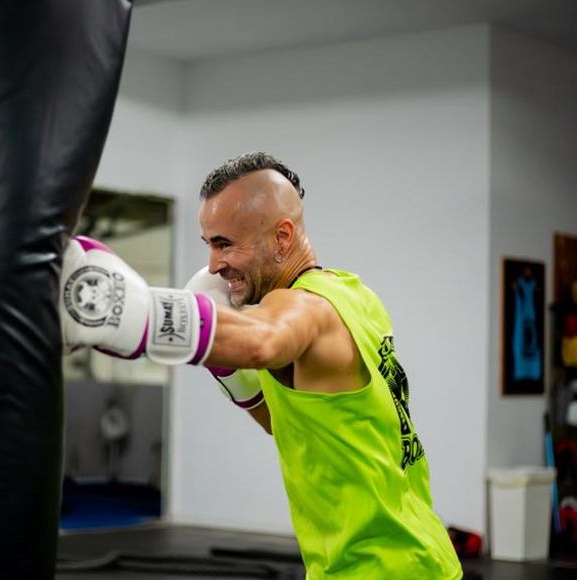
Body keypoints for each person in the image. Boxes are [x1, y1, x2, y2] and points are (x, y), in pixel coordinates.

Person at [59, 152, 463, 579]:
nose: (214, 265)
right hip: (418, 555)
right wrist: (226, 366)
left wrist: (126, 314)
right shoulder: (354, 295)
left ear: (282, 236)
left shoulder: (305, 307)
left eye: (225, 244)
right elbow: (286, 421)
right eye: (209, 244)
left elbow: (263, 341)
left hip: (378, 568)